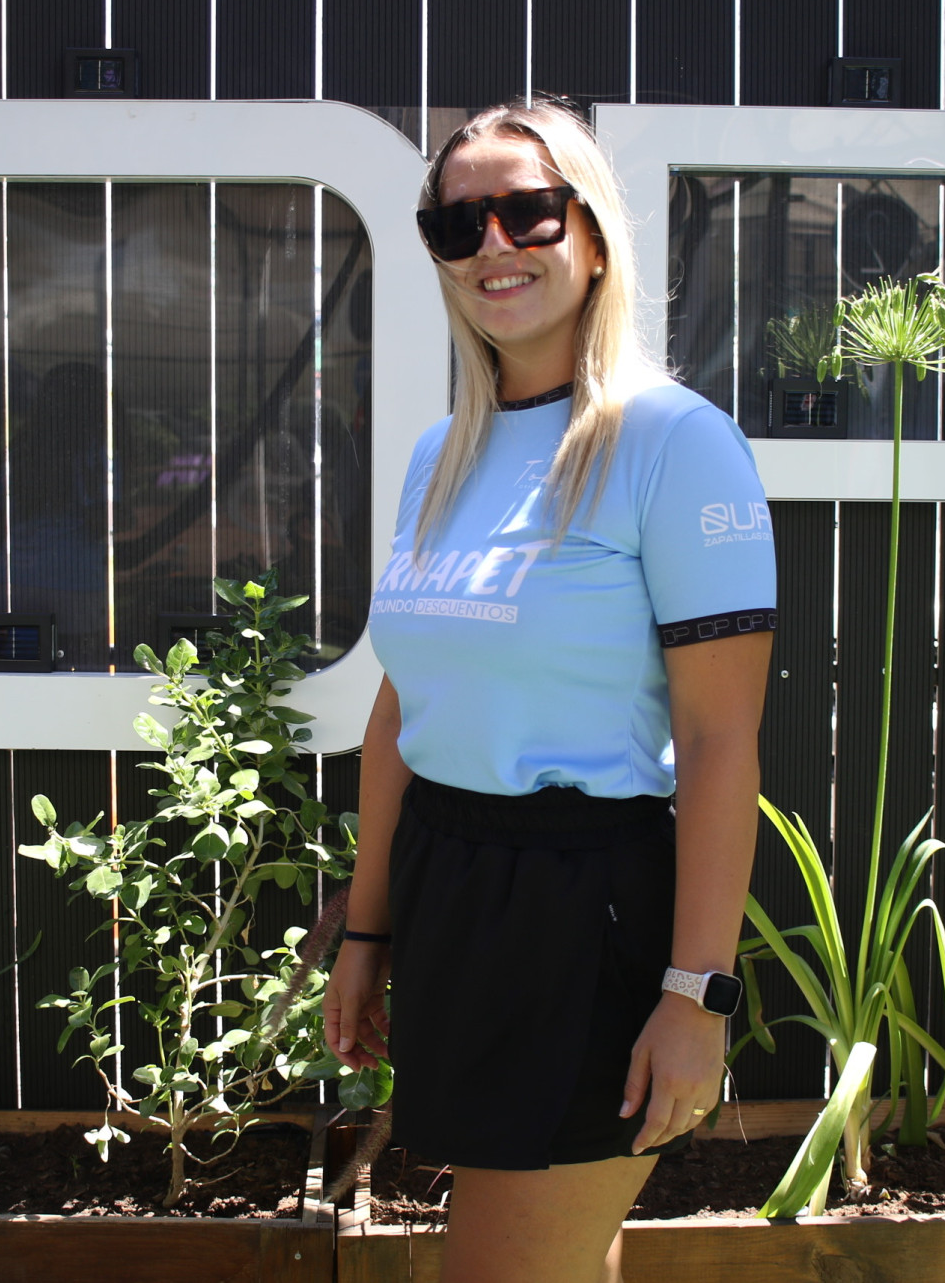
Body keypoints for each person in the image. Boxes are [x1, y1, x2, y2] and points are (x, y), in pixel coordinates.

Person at [323, 99, 777, 1283]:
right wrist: (367, 929)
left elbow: (718, 739)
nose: (492, 246)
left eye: (525, 211)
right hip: (451, 891)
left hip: (588, 914)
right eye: (455, 224)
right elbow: (400, 714)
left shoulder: (675, 444)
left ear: (592, 231)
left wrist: (696, 995)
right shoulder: (440, 455)